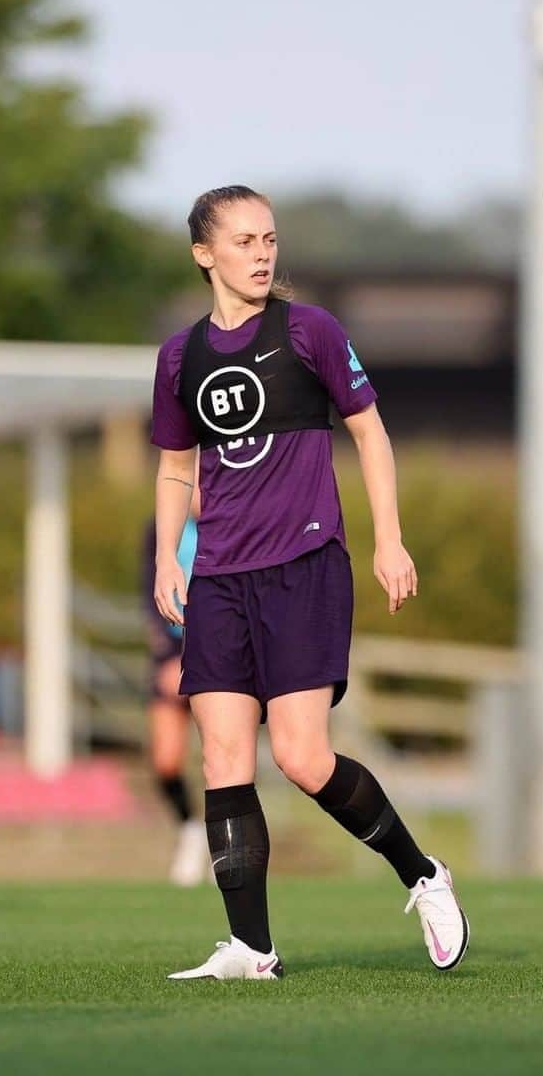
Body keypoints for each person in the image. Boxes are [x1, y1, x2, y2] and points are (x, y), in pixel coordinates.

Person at [150, 185, 468, 981]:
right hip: (219, 576)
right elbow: (173, 467)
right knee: (221, 754)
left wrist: (389, 540)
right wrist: (167, 559)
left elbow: (370, 431)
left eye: (271, 240)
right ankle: (252, 948)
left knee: (300, 758)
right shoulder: (179, 358)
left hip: (305, 566)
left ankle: (423, 875)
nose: (263, 254)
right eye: (246, 241)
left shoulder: (309, 331)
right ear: (204, 254)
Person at [140, 486, 209, 886]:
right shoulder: (161, 530)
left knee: (225, 761)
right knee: (166, 761)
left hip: (219, 652)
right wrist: (171, 655)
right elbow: (147, 594)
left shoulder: (230, 525)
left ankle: (229, 850)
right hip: (171, 655)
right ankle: (189, 829)